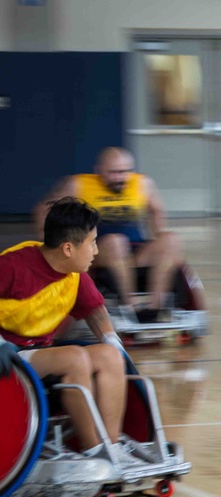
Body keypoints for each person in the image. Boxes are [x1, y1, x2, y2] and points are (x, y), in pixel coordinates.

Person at [0, 198, 146, 467]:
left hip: (38, 355)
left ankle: (112, 447)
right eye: (91, 242)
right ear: (68, 248)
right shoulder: (12, 266)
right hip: (9, 357)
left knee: (110, 355)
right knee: (74, 357)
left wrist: (112, 340)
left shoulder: (74, 273)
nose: (96, 250)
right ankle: (93, 451)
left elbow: (95, 310)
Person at [34, 147, 183, 320]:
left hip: (134, 252)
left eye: (126, 171)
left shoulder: (143, 184)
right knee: (116, 242)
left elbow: (156, 210)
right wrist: (50, 244)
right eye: (114, 173)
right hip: (98, 253)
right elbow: (43, 209)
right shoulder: (79, 184)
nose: (121, 178)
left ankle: (154, 308)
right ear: (98, 170)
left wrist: (158, 234)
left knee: (171, 239)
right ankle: (130, 305)